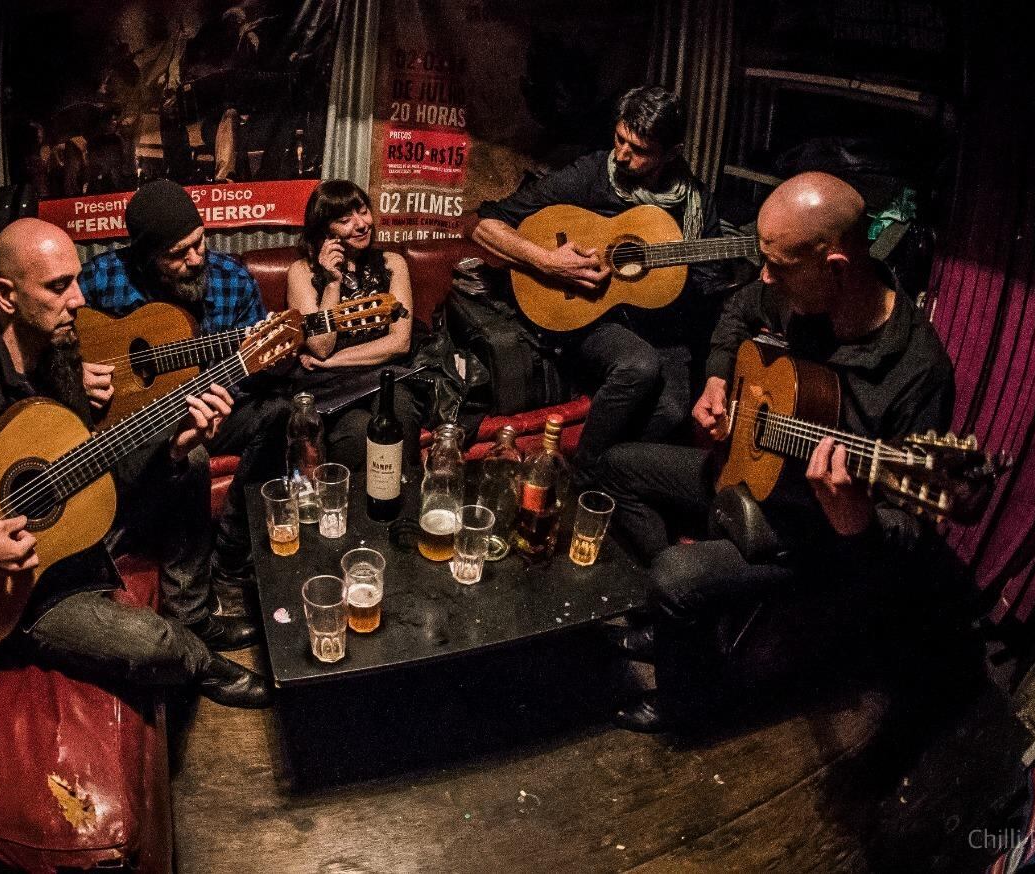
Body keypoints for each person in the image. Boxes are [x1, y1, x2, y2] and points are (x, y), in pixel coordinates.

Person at [0, 218, 271, 708]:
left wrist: (173, 447)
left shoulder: (57, 355)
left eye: (76, 281)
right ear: (6, 296)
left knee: (191, 459)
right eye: (58, 287)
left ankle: (194, 614)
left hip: (70, 529)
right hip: (14, 589)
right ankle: (197, 659)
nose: (78, 300)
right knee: (154, 644)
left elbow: (83, 465)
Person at [594, 172, 956, 732]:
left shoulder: (918, 371)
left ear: (834, 265)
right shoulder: (797, 289)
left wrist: (856, 519)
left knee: (675, 576)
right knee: (615, 468)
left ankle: (687, 703)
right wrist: (717, 379)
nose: (765, 276)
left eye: (778, 265)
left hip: (815, 530)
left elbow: (910, 535)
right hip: (749, 470)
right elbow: (738, 311)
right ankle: (680, 624)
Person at [472, 85, 728, 482]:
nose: (622, 155)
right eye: (620, 138)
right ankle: (580, 475)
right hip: (588, 315)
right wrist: (548, 262)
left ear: (671, 152)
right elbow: (486, 223)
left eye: (639, 150)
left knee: (673, 413)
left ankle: (613, 475)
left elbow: (709, 288)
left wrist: (668, 275)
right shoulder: (590, 174)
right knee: (638, 366)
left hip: (660, 324)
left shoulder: (696, 202)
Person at [79, 179, 290, 588]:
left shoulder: (233, 280)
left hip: (215, 408)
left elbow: (261, 370)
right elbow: (47, 341)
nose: (196, 259)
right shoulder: (102, 279)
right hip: (141, 424)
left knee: (279, 412)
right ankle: (183, 598)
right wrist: (75, 372)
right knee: (188, 458)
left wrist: (271, 358)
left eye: (200, 242)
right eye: (177, 254)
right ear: (145, 256)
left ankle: (231, 557)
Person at [286, 179, 420, 470]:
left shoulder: (392, 263)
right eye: (345, 220)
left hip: (385, 375)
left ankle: (407, 501)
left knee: (400, 413)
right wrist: (332, 283)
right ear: (325, 231)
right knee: (357, 432)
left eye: (363, 212)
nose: (361, 225)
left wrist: (333, 362)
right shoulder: (301, 273)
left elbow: (400, 342)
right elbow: (320, 346)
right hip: (331, 387)